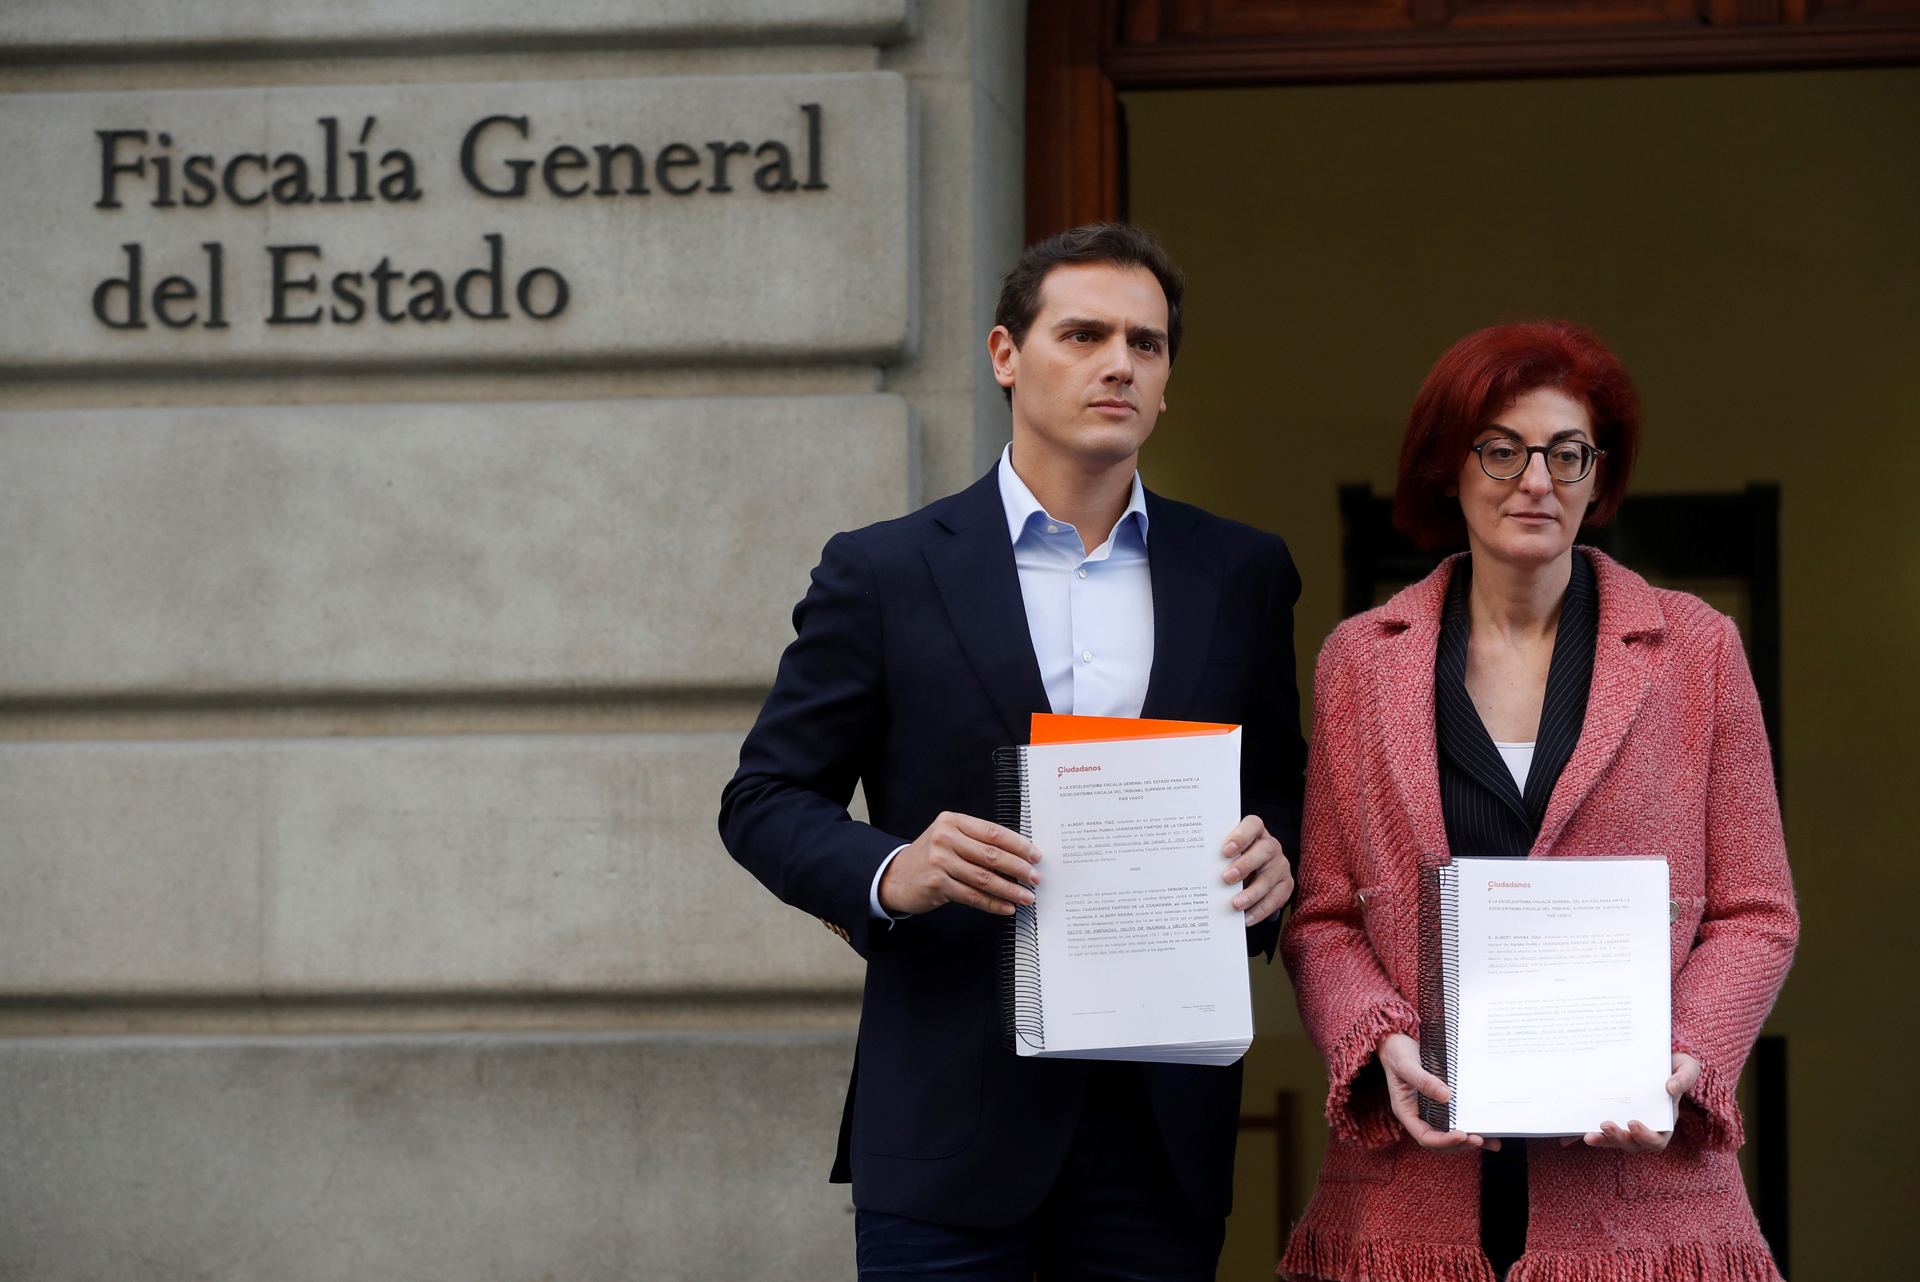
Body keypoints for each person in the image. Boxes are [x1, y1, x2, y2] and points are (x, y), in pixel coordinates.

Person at [719, 223, 1307, 1281]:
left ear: (1168, 378)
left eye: (1148, 343)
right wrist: (895, 870)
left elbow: (1277, 782)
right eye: (1083, 334)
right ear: (1005, 354)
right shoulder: (885, 571)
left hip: (1158, 1126)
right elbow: (764, 797)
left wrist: (1281, 858)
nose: (1120, 362)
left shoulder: (1242, 573)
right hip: (948, 1125)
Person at [1279, 320, 1798, 1282]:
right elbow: (1321, 919)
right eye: (1502, 449)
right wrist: (1380, 1040)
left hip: (1638, 1188)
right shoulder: (1363, 660)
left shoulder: (1697, 653)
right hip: (1414, 1187)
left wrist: (1682, 1059)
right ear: (1448, 469)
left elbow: (1756, 912)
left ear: (1598, 478)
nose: (1536, 479)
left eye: (1567, 453)